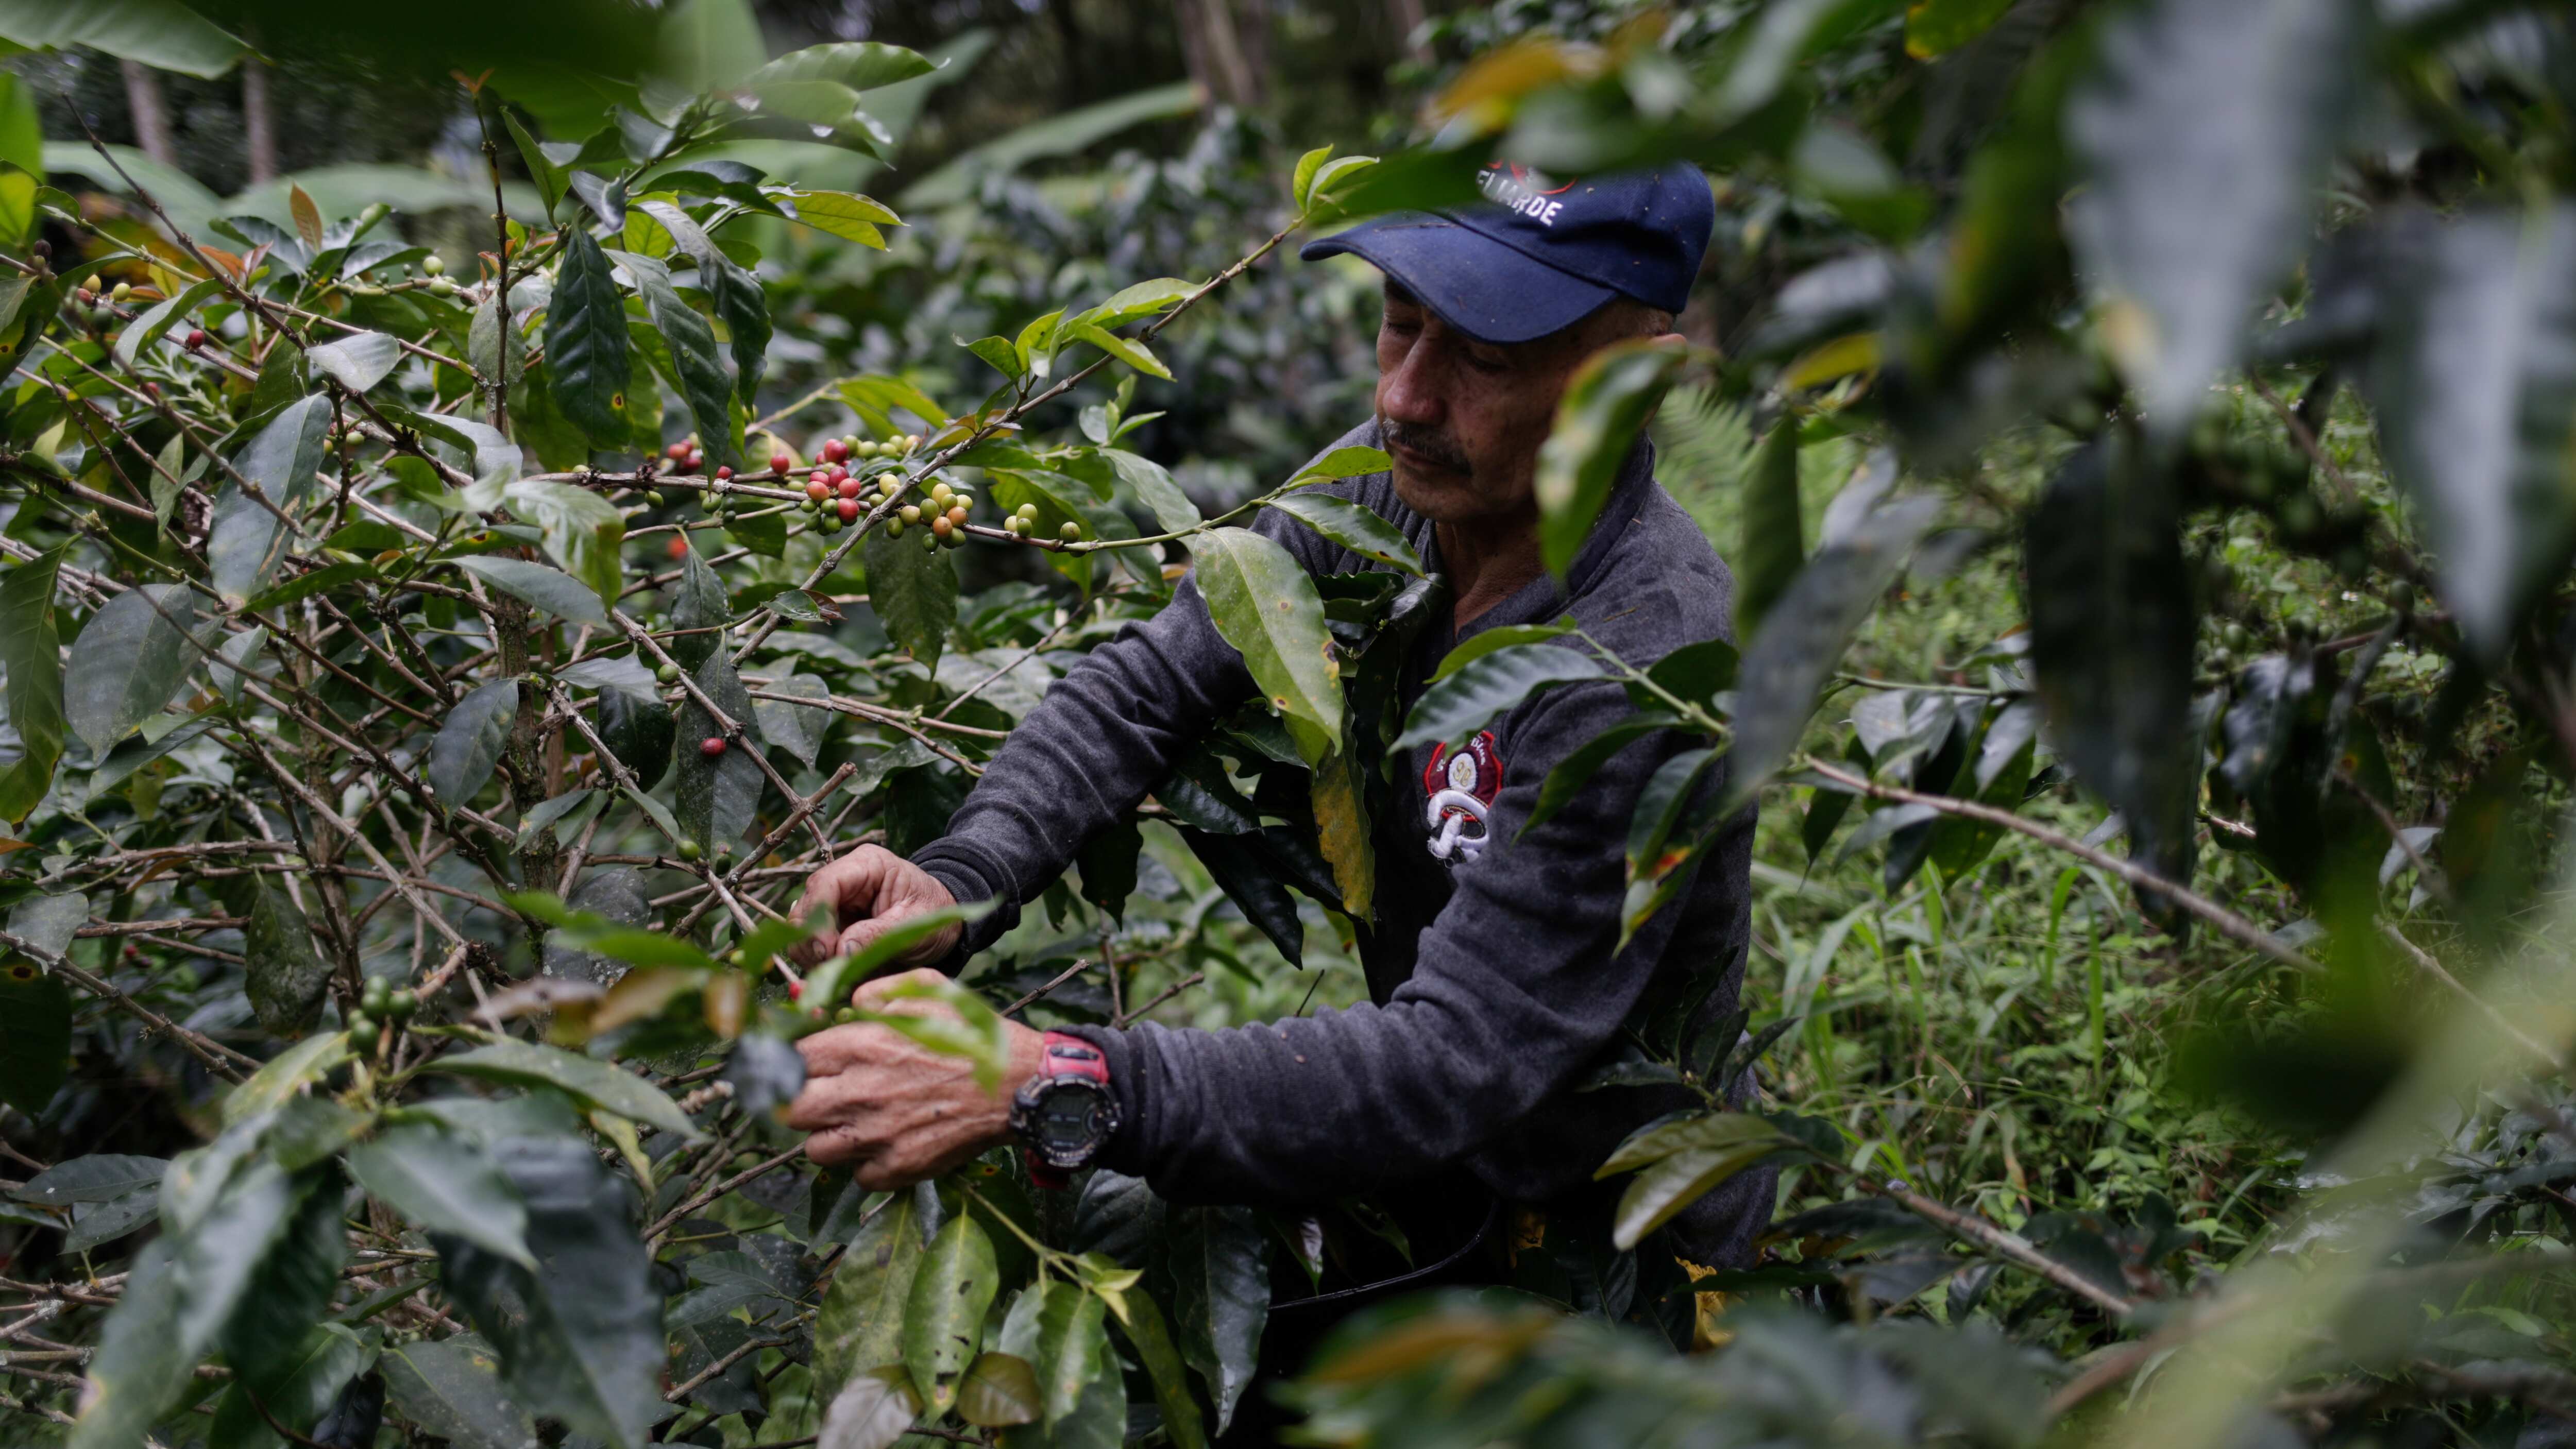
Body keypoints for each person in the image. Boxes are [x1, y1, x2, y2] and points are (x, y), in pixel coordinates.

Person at [785, 161, 1771, 1432]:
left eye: (1480, 353)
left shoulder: (1647, 663)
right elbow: (1150, 685)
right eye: (1398, 319)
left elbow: (1454, 1058)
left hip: (1624, 1244)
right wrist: (964, 876)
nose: (1403, 395)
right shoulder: (1387, 488)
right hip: (1416, 1188)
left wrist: (1050, 1075)